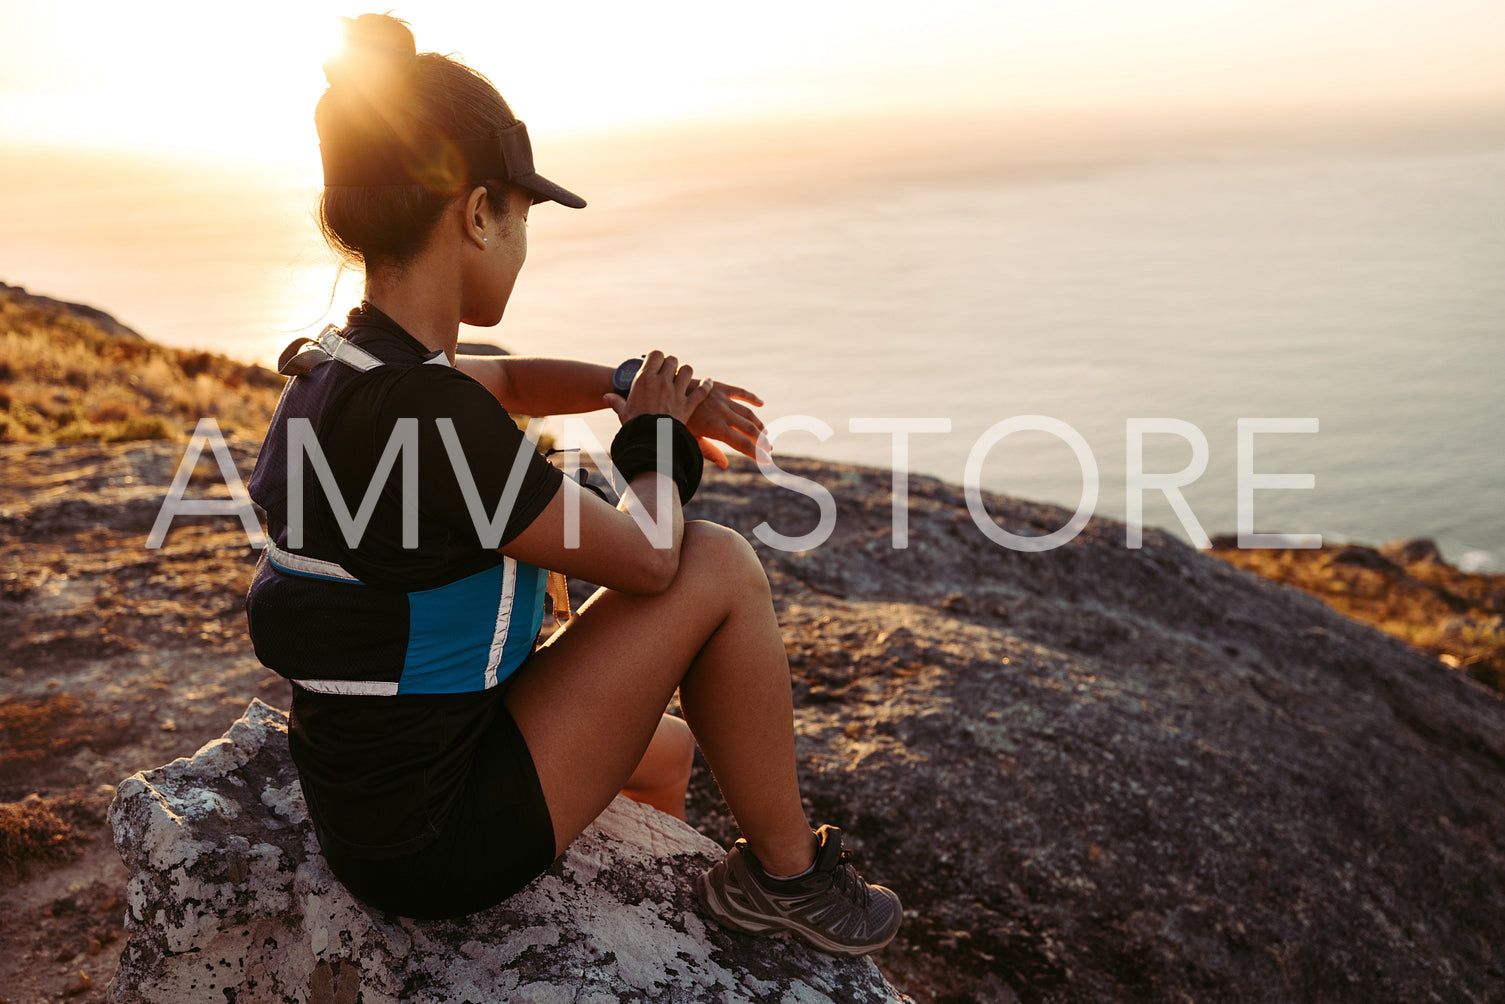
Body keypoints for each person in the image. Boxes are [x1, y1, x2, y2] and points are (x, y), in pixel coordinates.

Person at [243, 14, 900, 956]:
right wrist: (657, 444)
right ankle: (788, 880)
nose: (521, 242)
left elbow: (506, 380)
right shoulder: (429, 422)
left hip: (375, 787)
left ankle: (649, 928)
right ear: (476, 213)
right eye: (521, 216)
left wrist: (628, 386)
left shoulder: (347, 368)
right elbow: (645, 561)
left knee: (664, 749)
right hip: (431, 841)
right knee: (716, 562)